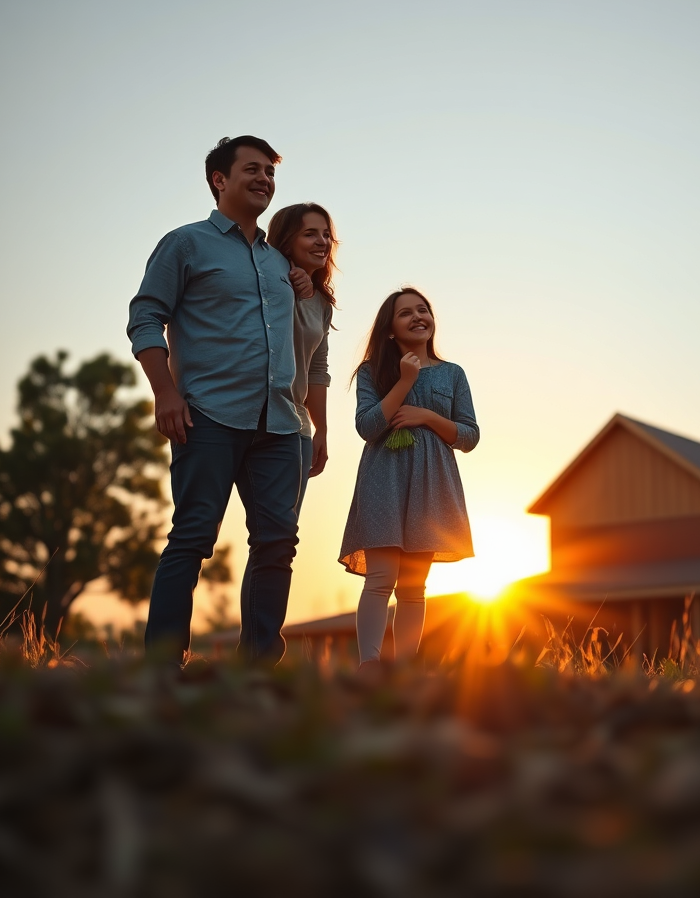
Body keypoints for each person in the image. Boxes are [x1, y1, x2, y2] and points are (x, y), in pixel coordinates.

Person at [127, 135, 304, 666]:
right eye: (252, 170)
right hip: (206, 416)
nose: (264, 181)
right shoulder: (186, 244)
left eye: (270, 174)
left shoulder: (280, 264)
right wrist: (165, 392)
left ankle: (258, 668)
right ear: (219, 180)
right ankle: (163, 665)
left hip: (278, 424)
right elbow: (144, 318)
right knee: (193, 536)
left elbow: (306, 340)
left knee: (277, 543)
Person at [339, 288, 479, 666]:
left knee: (414, 587)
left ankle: (404, 670)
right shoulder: (372, 372)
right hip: (383, 480)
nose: (418, 317)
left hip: (432, 485)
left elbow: (469, 436)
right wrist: (403, 382)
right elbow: (367, 426)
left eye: (423, 310)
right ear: (389, 329)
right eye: (406, 313)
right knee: (381, 578)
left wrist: (428, 417)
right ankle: (369, 666)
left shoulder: (453, 374)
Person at [265, 202, 340, 512]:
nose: (322, 242)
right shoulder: (265, 281)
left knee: (282, 535)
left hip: (296, 425)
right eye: (310, 234)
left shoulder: (322, 303)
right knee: (202, 527)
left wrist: (320, 428)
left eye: (326, 235)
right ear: (286, 240)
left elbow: (317, 370)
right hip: (254, 415)